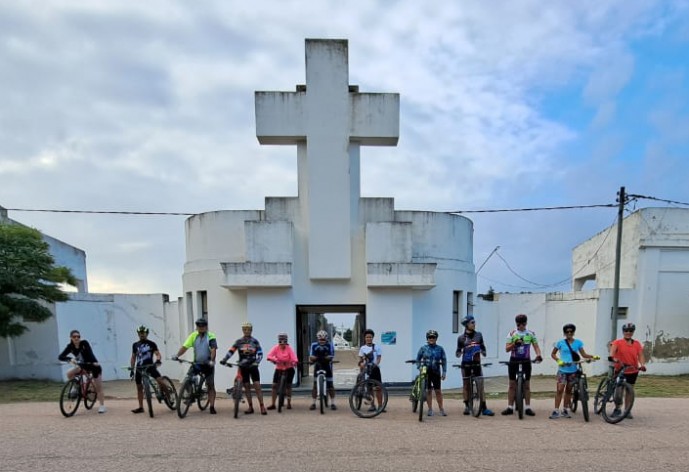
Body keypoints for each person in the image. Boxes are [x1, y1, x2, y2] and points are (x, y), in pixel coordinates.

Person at [549, 323, 597, 419]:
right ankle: (556, 410)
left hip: (573, 370)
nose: (569, 333)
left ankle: (565, 409)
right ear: (564, 333)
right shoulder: (560, 343)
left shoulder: (578, 343)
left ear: (574, 332)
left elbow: (583, 355)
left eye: (571, 331)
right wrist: (559, 360)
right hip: (563, 370)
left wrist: (593, 356)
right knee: (559, 390)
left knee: (568, 390)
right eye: (567, 332)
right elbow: (553, 354)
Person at [172, 318, 218, 414]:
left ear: (206, 327)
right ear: (196, 327)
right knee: (187, 379)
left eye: (203, 326)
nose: (201, 328)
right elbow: (185, 347)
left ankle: (212, 406)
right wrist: (177, 355)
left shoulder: (211, 336)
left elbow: (213, 349)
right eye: (199, 326)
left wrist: (212, 361)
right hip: (197, 363)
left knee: (210, 385)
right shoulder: (193, 336)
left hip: (208, 364)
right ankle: (189, 395)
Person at [220, 322, 267, 415]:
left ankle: (262, 406)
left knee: (257, 386)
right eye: (245, 329)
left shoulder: (255, 341)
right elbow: (231, 351)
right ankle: (250, 407)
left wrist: (256, 362)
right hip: (243, 366)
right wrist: (224, 359)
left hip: (253, 366)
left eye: (249, 329)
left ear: (251, 330)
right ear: (242, 330)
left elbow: (260, 354)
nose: (247, 331)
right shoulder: (239, 341)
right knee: (247, 387)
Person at [502, 313, 543, 416]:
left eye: (523, 324)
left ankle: (528, 407)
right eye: (519, 324)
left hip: (526, 361)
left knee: (527, 385)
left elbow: (536, 347)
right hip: (514, 360)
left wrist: (538, 355)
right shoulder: (512, 334)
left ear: (526, 323)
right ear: (516, 324)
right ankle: (510, 407)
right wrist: (514, 344)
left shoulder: (530, 334)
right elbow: (507, 349)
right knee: (512, 385)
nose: (521, 326)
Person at [58, 329, 107, 413]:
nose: (77, 338)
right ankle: (76, 387)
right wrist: (70, 359)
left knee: (98, 387)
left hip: (93, 365)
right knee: (69, 373)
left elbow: (90, 353)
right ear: (71, 338)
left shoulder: (84, 343)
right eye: (74, 337)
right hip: (82, 365)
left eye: (78, 336)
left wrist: (94, 362)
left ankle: (102, 406)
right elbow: (61, 357)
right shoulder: (70, 346)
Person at [455, 315, 494, 416]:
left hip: (477, 363)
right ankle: (467, 406)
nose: (474, 324)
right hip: (466, 364)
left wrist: (483, 352)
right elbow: (458, 352)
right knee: (466, 385)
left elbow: (483, 347)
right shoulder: (461, 338)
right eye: (472, 322)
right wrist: (459, 353)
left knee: (480, 385)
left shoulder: (479, 335)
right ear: (466, 324)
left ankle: (484, 408)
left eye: (474, 322)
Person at [129, 325, 171, 414]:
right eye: (140, 333)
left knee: (160, 381)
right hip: (139, 368)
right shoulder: (135, 345)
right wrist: (132, 369)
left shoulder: (152, 343)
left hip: (150, 366)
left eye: (143, 333)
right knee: (139, 387)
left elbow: (157, 353)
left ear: (147, 334)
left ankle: (169, 398)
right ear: (138, 334)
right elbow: (133, 357)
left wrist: (158, 360)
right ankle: (141, 407)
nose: (142, 335)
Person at [609, 322, 647, 419]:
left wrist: (642, 365)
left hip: (632, 370)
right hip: (620, 369)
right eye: (626, 330)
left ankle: (627, 410)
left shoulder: (637, 344)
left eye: (630, 331)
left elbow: (641, 355)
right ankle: (617, 409)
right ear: (623, 331)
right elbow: (612, 353)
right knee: (619, 390)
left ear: (633, 332)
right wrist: (613, 358)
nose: (628, 332)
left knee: (629, 391)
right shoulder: (617, 342)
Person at [416, 329, 448, 417]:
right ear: (427, 338)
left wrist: (444, 372)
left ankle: (441, 408)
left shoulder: (440, 349)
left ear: (436, 338)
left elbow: (444, 360)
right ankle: (430, 409)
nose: (431, 339)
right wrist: (419, 367)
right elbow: (418, 359)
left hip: (436, 372)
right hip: (426, 372)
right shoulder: (423, 348)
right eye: (430, 337)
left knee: (438, 391)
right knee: (428, 391)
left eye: (433, 337)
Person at [265, 332, 298, 410]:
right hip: (279, 368)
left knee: (288, 386)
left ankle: (289, 403)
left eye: (284, 342)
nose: (282, 344)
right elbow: (269, 355)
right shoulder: (276, 348)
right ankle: (273, 404)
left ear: (286, 341)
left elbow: (294, 357)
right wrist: (274, 359)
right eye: (281, 342)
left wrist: (294, 362)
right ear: (279, 341)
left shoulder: (289, 348)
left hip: (289, 368)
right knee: (274, 385)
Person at [309, 330, 337, 410]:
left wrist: (329, 357)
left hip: (327, 365)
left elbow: (331, 355)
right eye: (320, 340)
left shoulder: (330, 345)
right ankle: (313, 403)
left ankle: (333, 403)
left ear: (326, 339)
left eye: (323, 340)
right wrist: (312, 358)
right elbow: (311, 355)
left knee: (330, 385)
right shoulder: (313, 345)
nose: (322, 341)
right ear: (318, 339)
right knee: (315, 385)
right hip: (317, 365)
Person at [358, 328, 384, 412]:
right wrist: (362, 365)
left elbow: (379, 358)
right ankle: (372, 405)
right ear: (365, 338)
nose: (369, 338)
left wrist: (375, 364)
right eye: (367, 337)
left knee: (378, 388)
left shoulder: (377, 347)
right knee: (369, 388)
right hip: (367, 369)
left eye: (370, 337)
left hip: (375, 369)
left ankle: (380, 406)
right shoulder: (362, 348)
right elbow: (361, 360)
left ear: (372, 338)